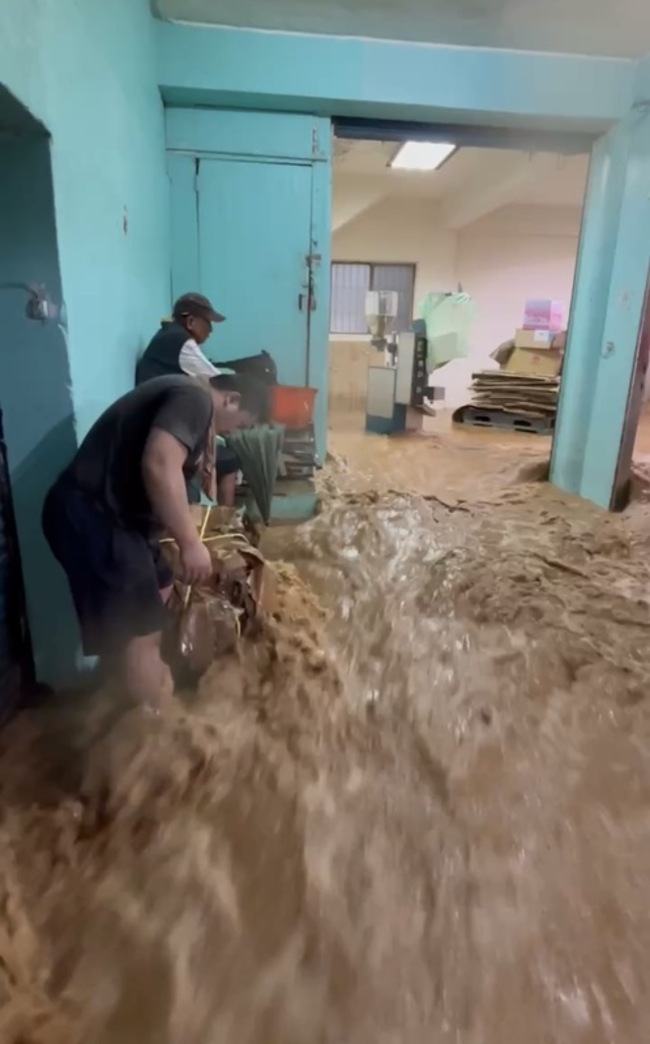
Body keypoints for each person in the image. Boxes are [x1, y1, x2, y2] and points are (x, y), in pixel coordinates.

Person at [42, 373, 262, 709]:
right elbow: (159, 464)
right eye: (242, 424)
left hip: (122, 523)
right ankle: (154, 729)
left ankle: (122, 692)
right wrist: (190, 542)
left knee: (161, 584)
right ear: (231, 399)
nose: (236, 433)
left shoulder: (192, 403)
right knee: (141, 635)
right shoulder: (194, 398)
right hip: (95, 518)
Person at [136, 292, 243, 507]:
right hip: (158, 429)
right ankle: (224, 522)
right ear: (191, 321)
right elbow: (217, 381)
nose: (211, 331)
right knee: (230, 459)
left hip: (157, 422)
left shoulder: (168, 337)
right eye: (208, 323)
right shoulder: (181, 343)